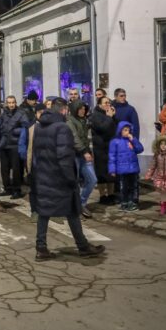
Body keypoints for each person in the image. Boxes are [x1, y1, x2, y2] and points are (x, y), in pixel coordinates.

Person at [30, 98, 106, 261]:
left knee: (44, 212)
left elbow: (36, 153)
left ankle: (41, 247)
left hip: (43, 176)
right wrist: (72, 179)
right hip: (60, 178)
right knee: (72, 210)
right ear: (63, 110)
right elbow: (64, 156)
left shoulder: (39, 127)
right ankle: (83, 247)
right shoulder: (62, 128)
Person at [67, 101, 99, 218]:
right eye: (80, 109)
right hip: (75, 155)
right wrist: (85, 151)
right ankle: (74, 207)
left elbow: (86, 138)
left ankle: (81, 203)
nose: (83, 111)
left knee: (92, 180)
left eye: (84, 109)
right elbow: (74, 138)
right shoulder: (70, 121)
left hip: (84, 154)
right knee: (74, 182)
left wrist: (89, 152)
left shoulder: (84, 120)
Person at [109, 122, 144, 212]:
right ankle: (124, 202)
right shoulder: (115, 142)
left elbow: (140, 149)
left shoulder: (131, 140)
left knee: (134, 186)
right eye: (125, 130)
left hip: (133, 169)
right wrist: (112, 169)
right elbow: (112, 156)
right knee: (124, 187)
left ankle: (133, 202)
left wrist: (134, 140)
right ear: (120, 130)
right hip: (122, 170)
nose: (127, 132)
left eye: (128, 130)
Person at [90, 97, 118, 205]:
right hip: (100, 148)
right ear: (99, 104)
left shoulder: (109, 114)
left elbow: (115, 127)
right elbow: (102, 128)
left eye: (109, 102)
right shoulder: (95, 115)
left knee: (111, 171)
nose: (108, 104)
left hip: (110, 147)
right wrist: (109, 118)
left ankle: (111, 194)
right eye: (105, 102)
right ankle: (102, 196)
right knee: (101, 173)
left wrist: (114, 117)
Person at [0, 96, 27, 200]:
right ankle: (7, 188)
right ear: (6, 103)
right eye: (9, 103)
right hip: (4, 144)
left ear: (15, 103)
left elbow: (25, 127)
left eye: (13, 102)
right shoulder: (4, 114)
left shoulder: (21, 113)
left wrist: (15, 132)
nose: (11, 104)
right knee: (4, 168)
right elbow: (0, 126)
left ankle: (17, 189)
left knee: (16, 169)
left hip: (15, 144)